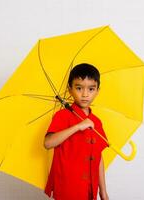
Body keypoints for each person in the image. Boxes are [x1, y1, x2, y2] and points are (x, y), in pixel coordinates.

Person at [44, 63, 109, 200]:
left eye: (91, 89)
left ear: (97, 91)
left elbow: (98, 157)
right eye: (79, 88)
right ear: (70, 89)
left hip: (90, 189)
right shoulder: (62, 116)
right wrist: (77, 127)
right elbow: (48, 143)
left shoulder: (96, 122)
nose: (85, 94)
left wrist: (103, 192)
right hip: (68, 188)